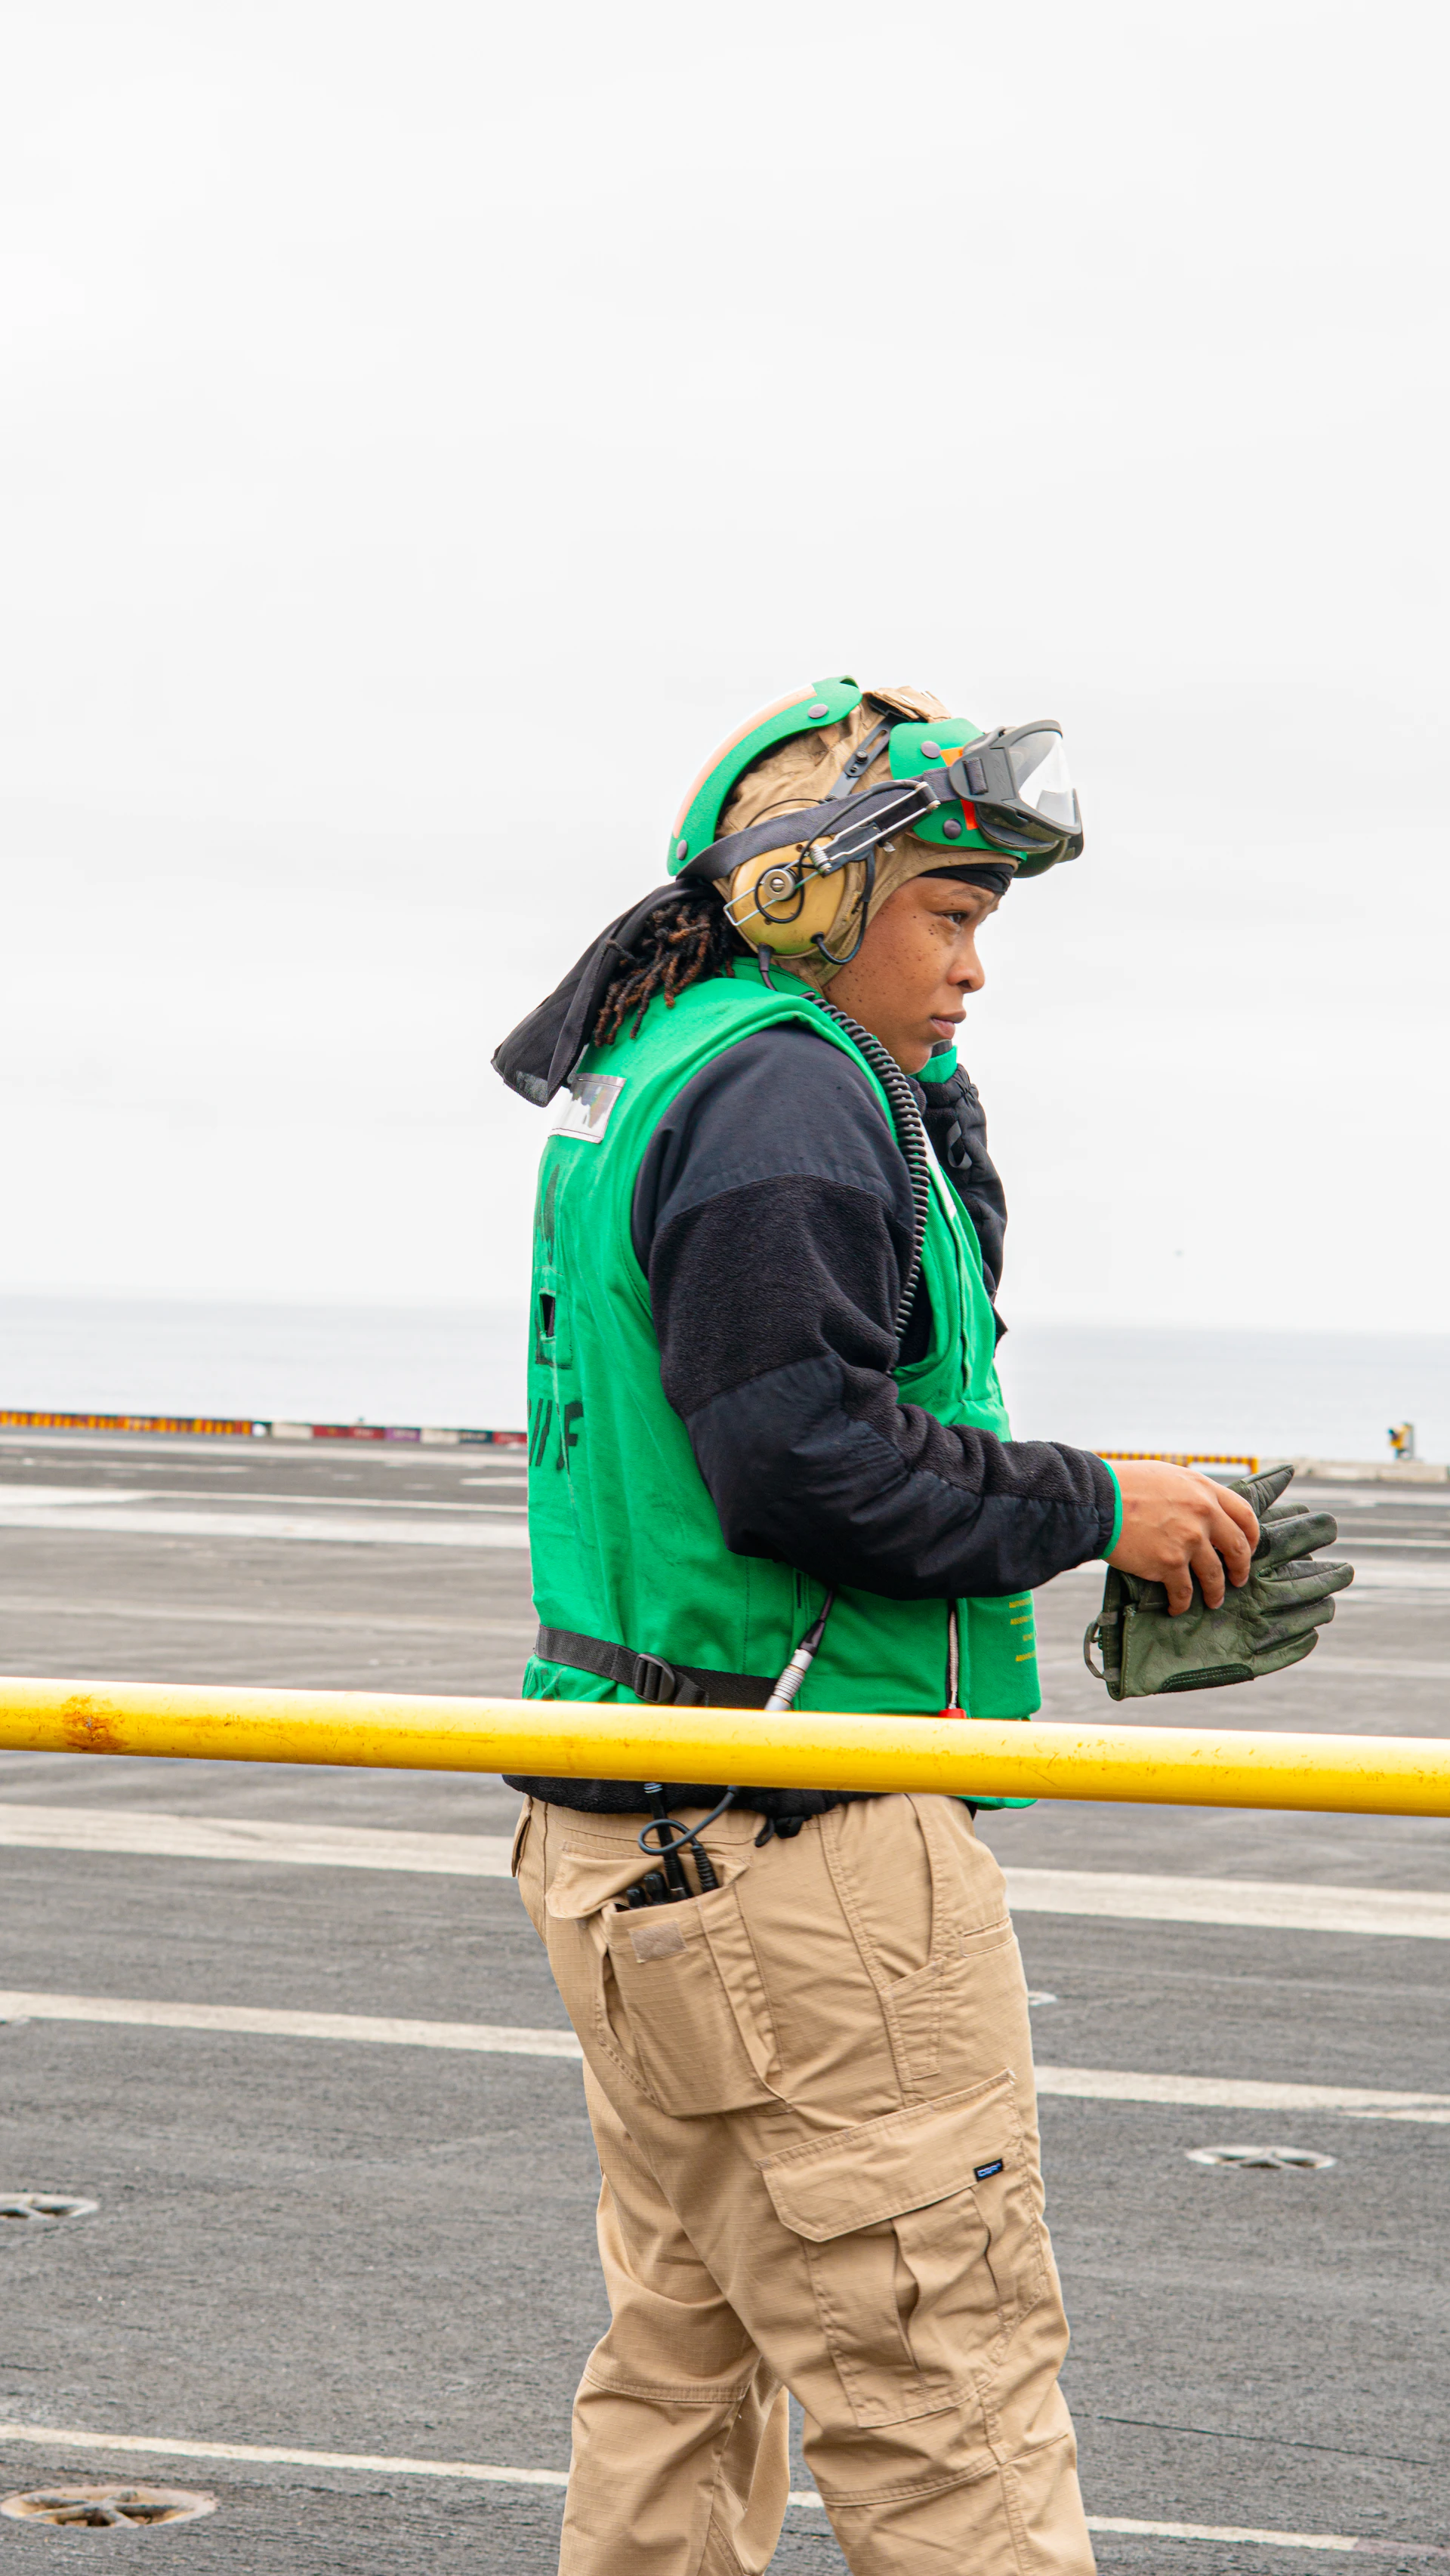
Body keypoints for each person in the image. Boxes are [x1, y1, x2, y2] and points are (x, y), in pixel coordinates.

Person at [492, 678, 1260, 2576]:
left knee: (684, 2367)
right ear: (805, 901)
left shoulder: (680, 1063)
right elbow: (805, 1460)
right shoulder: (781, 1093)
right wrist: (1100, 1505)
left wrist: (911, 1061)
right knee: (952, 2405)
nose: (976, 969)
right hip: (797, 1853)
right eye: (950, 913)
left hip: (639, 1825)